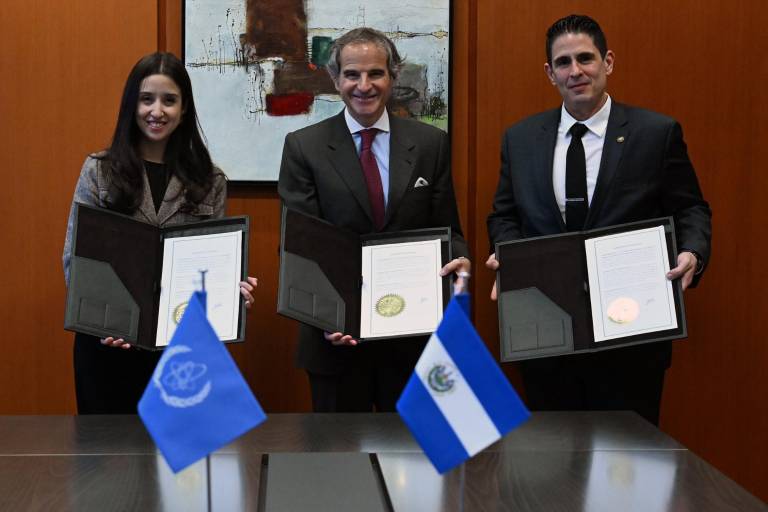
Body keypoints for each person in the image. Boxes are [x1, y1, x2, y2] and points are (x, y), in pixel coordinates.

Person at [486, 15, 711, 425]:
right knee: (552, 467)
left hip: (631, 338)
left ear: (607, 62)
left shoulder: (655, 133)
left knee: (627, 469)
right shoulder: (519, 139)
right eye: (564, 62)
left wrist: (693, 251)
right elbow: (504, 216)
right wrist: (507, 260)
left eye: (585, 58)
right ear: (549, 72)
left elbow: (691, 208)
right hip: (546, 333)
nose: (576, 71)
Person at [278, 27, 470, 412]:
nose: (363, 85)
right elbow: (300, 249)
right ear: (335, 79)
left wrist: (460, 261)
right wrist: (325, 314)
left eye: (375, 73)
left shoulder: (431, 144)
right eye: (352, 74)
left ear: (393, 76)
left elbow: (449, 231)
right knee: (339, 465)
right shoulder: (304, 147)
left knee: (412, 463)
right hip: (334, 340)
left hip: (410, 340)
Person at [63, 52, 258, 414]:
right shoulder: (99, 170)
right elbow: (75, 258)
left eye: (170, 100)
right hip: (108, 343)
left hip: (180, 348)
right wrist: (102, 321)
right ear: (131, 105)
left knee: (176, 464)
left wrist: (231, 291)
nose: (157, 111)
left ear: (184, 109)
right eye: (146, 99)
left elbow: (212, 264)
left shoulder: (209, 180)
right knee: (108, 463)